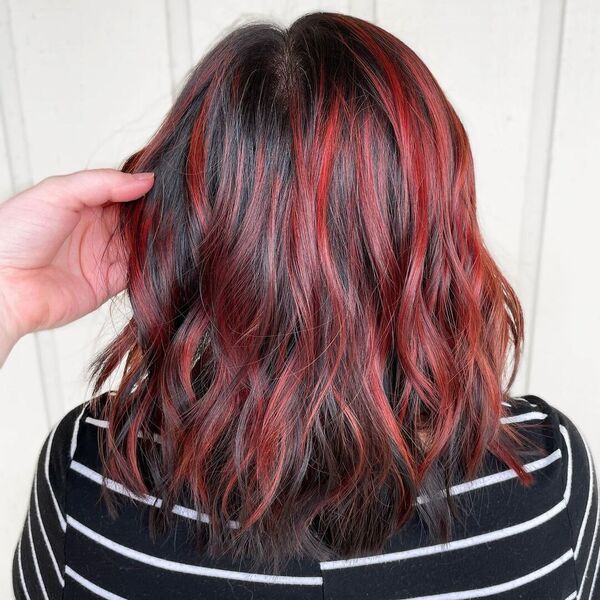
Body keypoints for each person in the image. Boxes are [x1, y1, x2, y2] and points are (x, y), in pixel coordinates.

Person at [2, 11, 598, 600]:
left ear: (185, 227)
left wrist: (6, 291)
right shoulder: (547, 487)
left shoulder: (88, 485)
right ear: (438, 229)